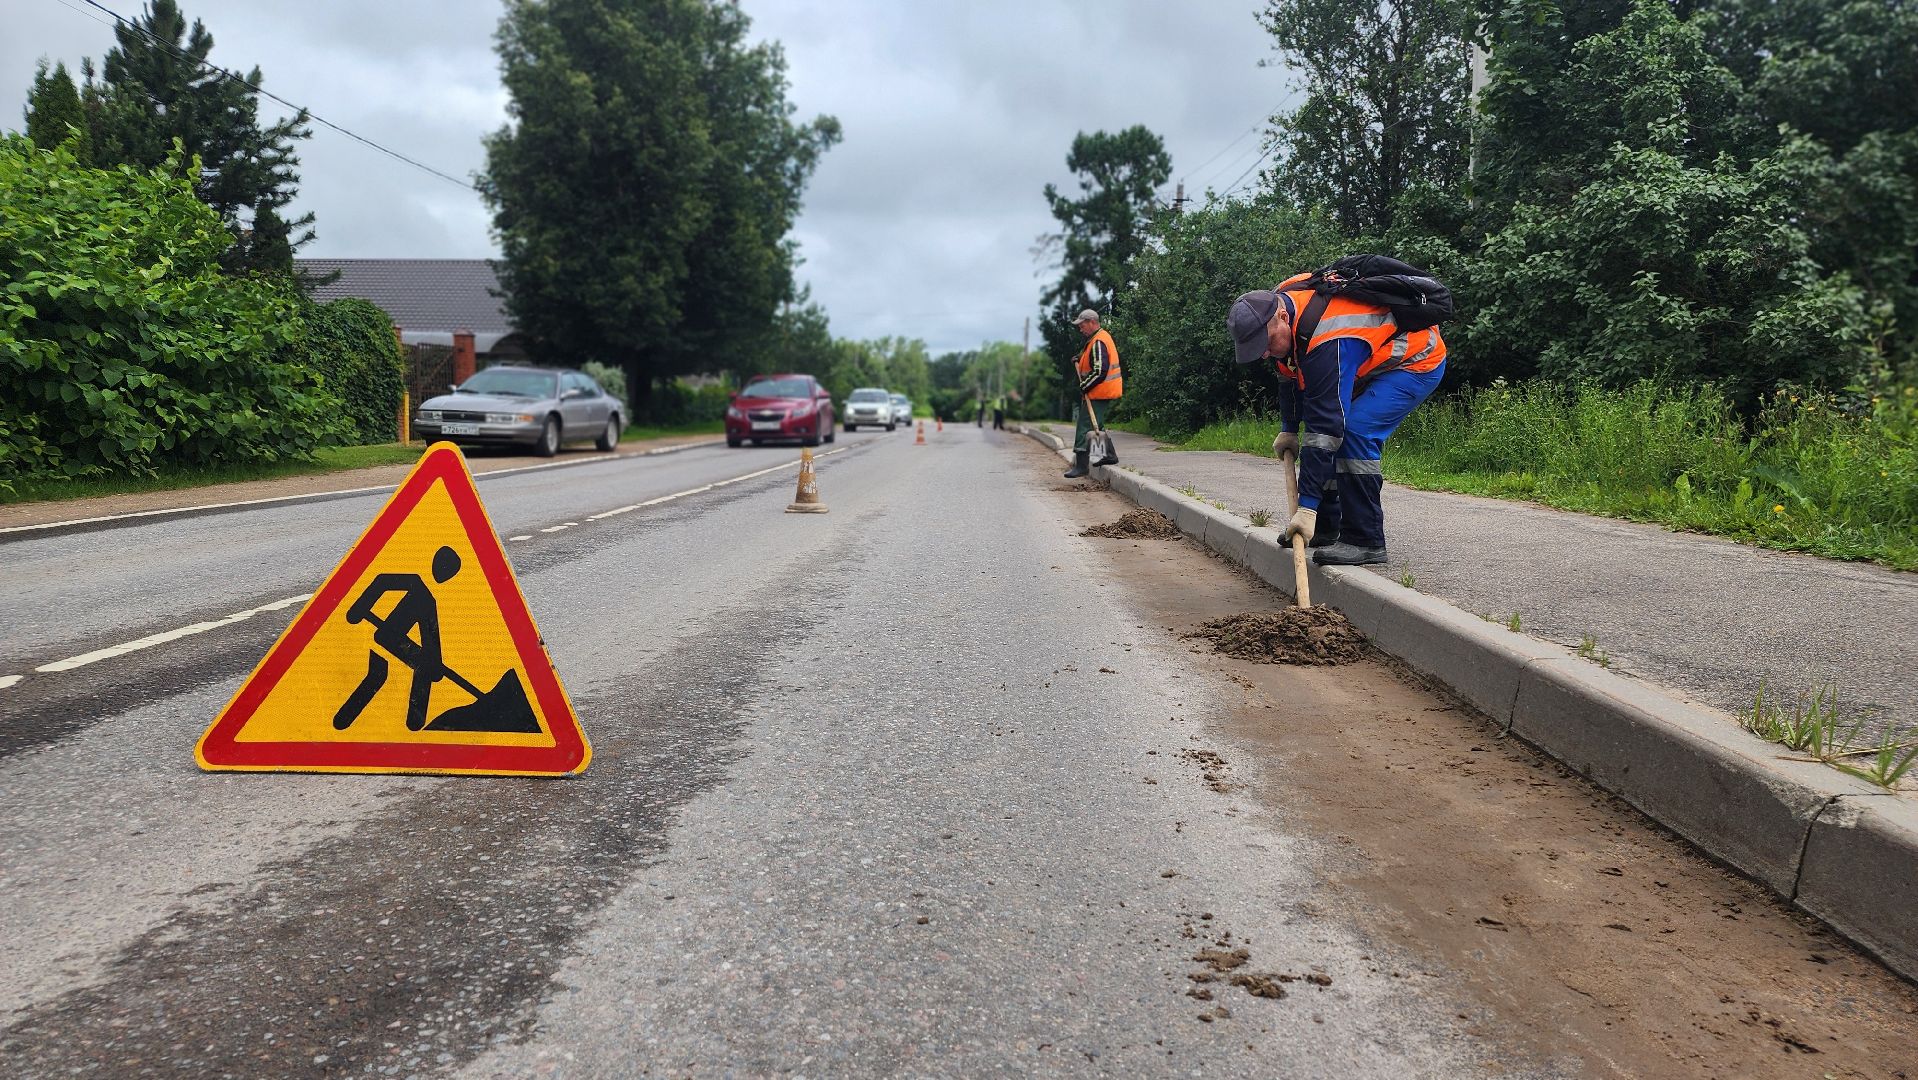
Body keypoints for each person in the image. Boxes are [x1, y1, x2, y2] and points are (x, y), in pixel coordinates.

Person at [1227, 273, 1446, 565]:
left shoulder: (1329, 339)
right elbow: (1289, 373)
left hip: (1414, 362)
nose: (1265, 353)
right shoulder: (1281, 306)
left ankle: (1364, 539)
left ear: (1282, 316)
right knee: (1323, 439)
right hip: (1366, 363)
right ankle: (1325, 527)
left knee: (1353, 432)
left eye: (1265, 343)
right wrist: (1289, 428)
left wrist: (1305, 507)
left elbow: (1326, 428)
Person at [1064, 308, 1122, 479]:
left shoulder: (1098, 341)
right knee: (1097, 425)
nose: (1080, 329)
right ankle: (1108, 455)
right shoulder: (1096, 339)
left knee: (1084, 426)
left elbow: (1099, 370)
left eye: (1082, 326)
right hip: (1100, 391)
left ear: (1092, 322)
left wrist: (1085, 386)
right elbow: (1092, 359)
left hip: (1099, 391)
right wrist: (1079, 358)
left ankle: (1081, 466)